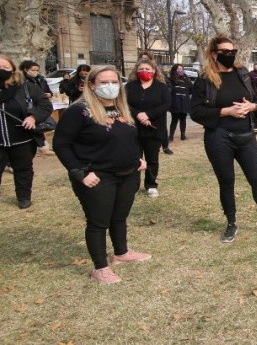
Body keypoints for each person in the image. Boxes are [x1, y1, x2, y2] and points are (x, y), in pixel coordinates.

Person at [190, 35, 257, 243]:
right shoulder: (205, 80)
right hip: (219, 138)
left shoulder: (243, 74)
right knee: (226, 181)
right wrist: (226, 111)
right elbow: (196, 111)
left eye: (233, 52)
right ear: (214, 54)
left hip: (246, 136)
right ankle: (231, 223)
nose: (229, 55)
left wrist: (252, 107)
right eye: (225, 52)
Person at [52, 65, 150, 284]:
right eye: (104, 82)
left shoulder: (123, 108)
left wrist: (138, 158)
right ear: (92, 85)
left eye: (114, 82)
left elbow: (131, 137)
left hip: (128, 174)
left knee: (119, 217)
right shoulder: (79, 111)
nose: (110, 86)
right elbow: (61, 144)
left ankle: (121, 253)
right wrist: (80, 173)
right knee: (98, 222)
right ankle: (100, 267)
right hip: (96, 176)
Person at [0, 55, 53, 209]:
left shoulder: (25, 87)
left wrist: (33, 117)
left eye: (5, 68)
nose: (1, 70)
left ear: (13, 70)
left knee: (23, 169)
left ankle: (23, 197)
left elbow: (45, 105)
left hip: (22, 139)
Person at [126, 59, 171, 198]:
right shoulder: (130, 86)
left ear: (154, 71)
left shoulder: (161, 87)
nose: (144, 72)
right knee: (134, 158)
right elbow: (124, 103)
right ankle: (133, 185)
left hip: (154, 128)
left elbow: (166, 104)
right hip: (134, 128)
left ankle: (151, 184)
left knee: (152, 159)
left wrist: (148, 115)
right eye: (140, 69)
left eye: (147, 69)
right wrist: (138, 114)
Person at [20, 60, 55, 156]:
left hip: (40, 107)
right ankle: (42, 147)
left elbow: (48, 91)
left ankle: (43, 146)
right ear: (25, 70)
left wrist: (49, 94)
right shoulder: (22, 82)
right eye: (33, 70)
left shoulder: (41, 80)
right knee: (31, 129)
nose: (36, 72)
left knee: (37, 128)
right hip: (27, 109)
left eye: (37, 70)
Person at [168, 64, 192, 141]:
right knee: (174, 120)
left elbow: (191, 89)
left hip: (184, 102)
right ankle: (171, 136)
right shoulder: (171, 79)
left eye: (181, 69)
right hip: (175, 102)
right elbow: (169, 90)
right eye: (178, 69)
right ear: (175, 70)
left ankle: (183, 135)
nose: (180, 70)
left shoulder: (187, 79)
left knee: (183, 119)